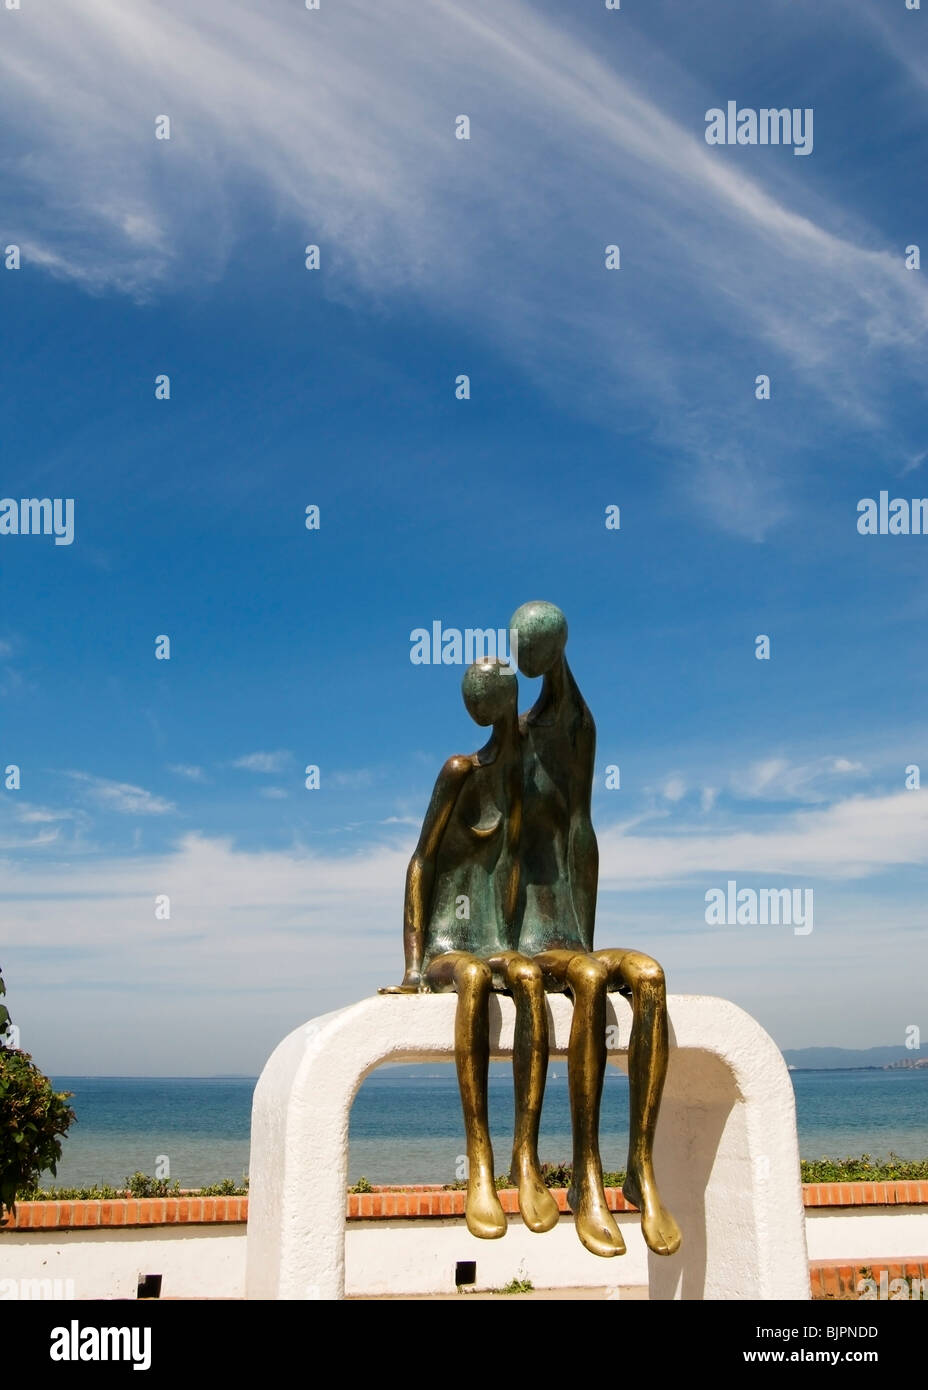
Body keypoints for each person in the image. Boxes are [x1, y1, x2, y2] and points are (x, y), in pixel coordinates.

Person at [510, 599, 681, 1259]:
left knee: (648, 976)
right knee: (587, 978)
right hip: (524, 937)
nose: (524, 665)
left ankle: (640, 1164)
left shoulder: (577, 724)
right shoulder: (514, 738)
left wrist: (584, 928)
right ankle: (585, 1177)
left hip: (569, 929)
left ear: (553, 650)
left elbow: (581, 829)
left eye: (532, 652)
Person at [381, 657, 558, 1240]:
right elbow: (420, 861)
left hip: (498, 943)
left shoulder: (528, 777)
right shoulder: (461, 771)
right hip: (448, 948)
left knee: (528, 978)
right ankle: (477, 1162)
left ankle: (524, 1158)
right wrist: (411, 965)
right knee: (477, 981)